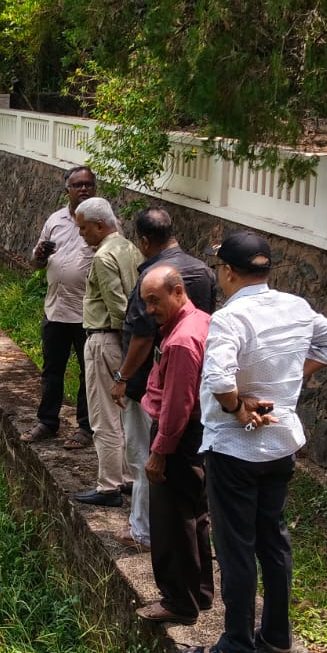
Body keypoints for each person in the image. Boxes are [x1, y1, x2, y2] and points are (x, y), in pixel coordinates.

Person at [187, 231, 327, 653]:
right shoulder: (295, 307)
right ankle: (277, 634)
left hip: (234, 449)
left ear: (228, 272)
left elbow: (220, 379)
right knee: (273, 540)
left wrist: (240, 406)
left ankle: (237, 645)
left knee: (236, 547)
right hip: (280, 445)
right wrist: (288, 383)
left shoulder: (230, 317)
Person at [109, 208, 217, 548]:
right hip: (197, 381)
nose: (153, 306)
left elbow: (142, 335)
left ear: (143, 241)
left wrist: (123, 376)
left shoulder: (153, 280)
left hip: (152, 381)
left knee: (146, 456)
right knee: (188, 466)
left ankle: (143, 529)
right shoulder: (203, 272)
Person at [134, 266, 214, 623]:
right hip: (196, 434)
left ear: (178, 291)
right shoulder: (200, 322)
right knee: (195, 515)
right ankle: (199, 592)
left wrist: (159, 453)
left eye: (155, 300)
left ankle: (178, 600)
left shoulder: (182, 340)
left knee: (171, 520)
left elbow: (177, 404)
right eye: (146, 303)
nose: (150, 309)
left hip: (177, 438)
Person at [21, 166, 98, 449]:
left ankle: (85, 427)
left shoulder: (103, 223)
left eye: (88, 185)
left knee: (88, 372)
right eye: (77, 185)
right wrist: (39, 256)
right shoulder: (55, 220)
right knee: (52, 370)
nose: (84, 190)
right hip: (56, 309)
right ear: (67, 190)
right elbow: (37, 262)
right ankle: (47, 421)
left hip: (88, 313)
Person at [71, 196, 140, 507]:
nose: (82, 235)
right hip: (127, 342)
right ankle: (126, 476)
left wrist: (124, 356)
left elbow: (118, 308)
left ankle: (108, 485)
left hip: (106, 339)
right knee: (124, 413)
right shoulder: (130, 249)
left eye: (84, 229)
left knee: (103, 416)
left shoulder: (103, 257)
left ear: (99, 226)